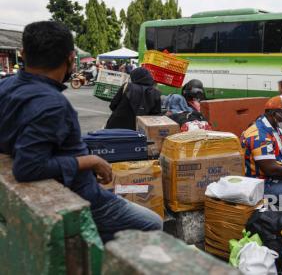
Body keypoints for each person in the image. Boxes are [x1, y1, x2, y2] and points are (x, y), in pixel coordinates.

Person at [0, 21, 162, 243]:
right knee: (153, 223)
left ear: (23, 54)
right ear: (70, 58)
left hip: (70, 185)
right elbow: (28, 166)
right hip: (82, 197)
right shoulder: (51, 104)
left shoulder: (6, 86)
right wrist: (90, 161)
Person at [241, 95, 282, 198]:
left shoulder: (277, 129)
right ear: (273, 113)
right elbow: (271, 169)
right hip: (262, 184)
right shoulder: (260, 134)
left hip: (277, 178)